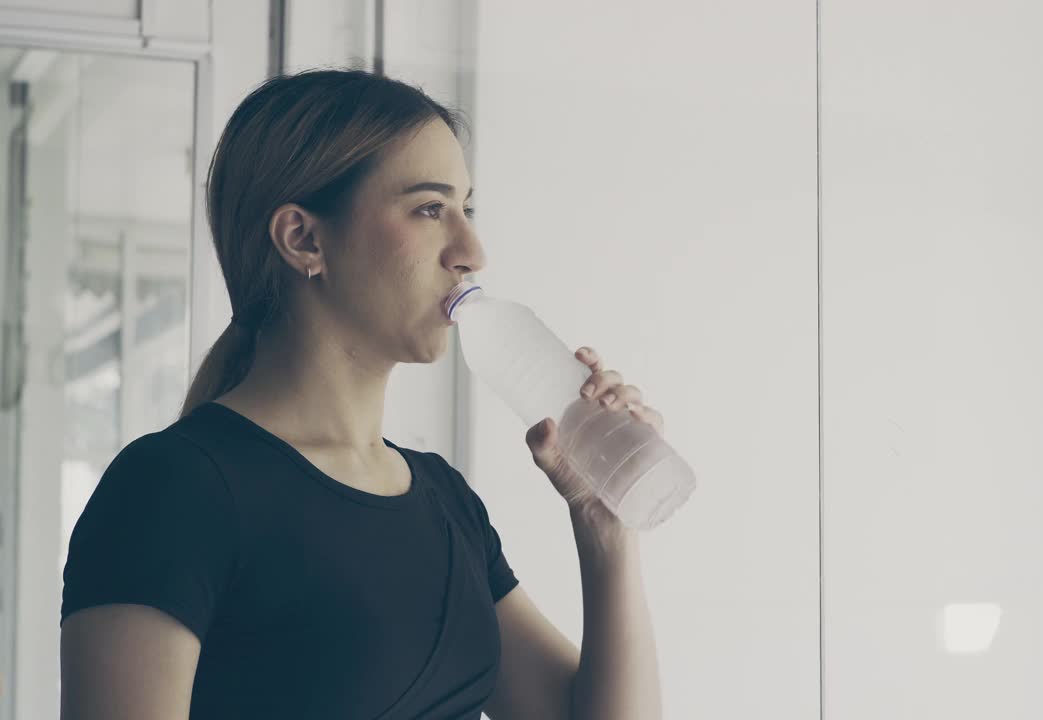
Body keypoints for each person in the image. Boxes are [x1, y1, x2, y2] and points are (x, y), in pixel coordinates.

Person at [58, 69, 664, 720]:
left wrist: (606, 528)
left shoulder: (446, 502)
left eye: (467, 210)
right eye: (430, 209)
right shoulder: (172, 490)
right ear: (304, 239)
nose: (471, 250)